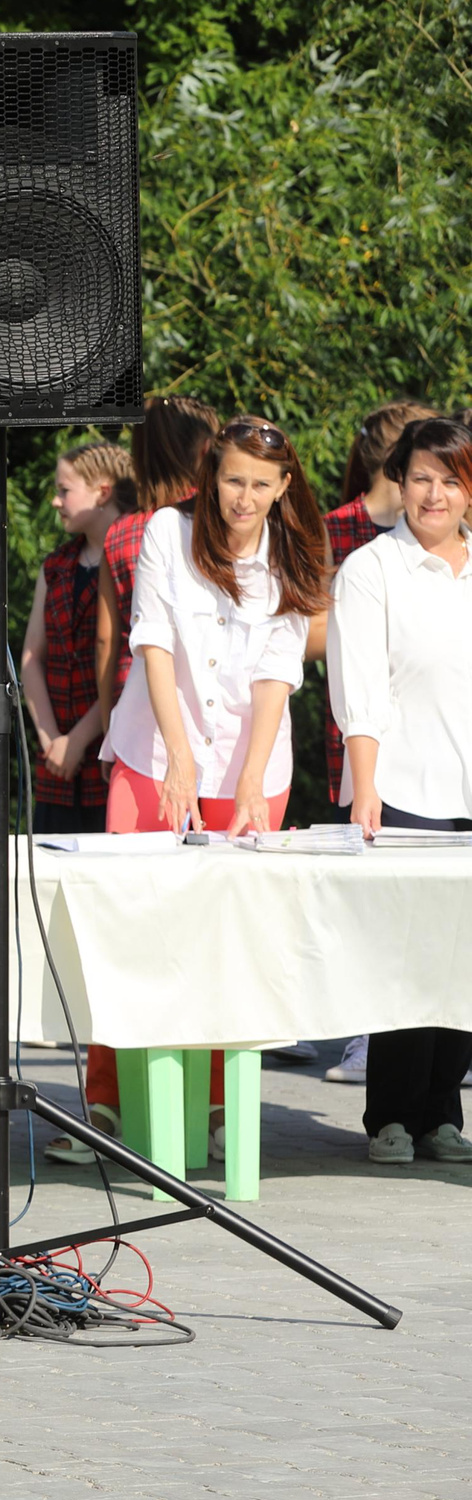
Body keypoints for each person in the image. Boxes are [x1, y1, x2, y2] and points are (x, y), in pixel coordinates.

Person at [64, 416, 330, 1159]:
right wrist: (177, 754)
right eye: (232, 479)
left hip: (251, 763)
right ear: (211, 476)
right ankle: (108, 1101)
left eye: (259, 484)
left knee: (228, 935)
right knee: (134, 924)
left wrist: (247, 779)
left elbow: (280, 669)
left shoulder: (292, 551)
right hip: (155, 754)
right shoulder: (163, 535)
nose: (243, 497)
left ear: (283, 488)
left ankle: (215, 1101)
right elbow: (151, 638)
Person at [326, 415, 472, 1164]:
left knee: (463, 956)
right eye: (421, 477)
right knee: (407, 955)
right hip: (403, 786)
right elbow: (360, 686)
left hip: (469, 791)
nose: (435, 493)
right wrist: (366, 783)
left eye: (451, 478)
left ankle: (443, 1110)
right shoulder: (372, 568)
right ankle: (391, 1113)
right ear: (398, 481)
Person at [316, 399, 436, 1085]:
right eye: (421, 471)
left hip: (447, 763)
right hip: (370, 754)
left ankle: (438, 1085)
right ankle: (372, 1052)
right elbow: (309, 632)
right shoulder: (352, 543)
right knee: (384, 922)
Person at [20, 441, 134, 832]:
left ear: (102, 492)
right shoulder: (55, 567)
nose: (56, 501)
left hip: (111, 756)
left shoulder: (135, 559)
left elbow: (129, 660)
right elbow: (32, 656)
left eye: (64, 490)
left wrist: (80, 739)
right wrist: (52, 738)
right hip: (58, 765)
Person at [93, 395, 217, 732]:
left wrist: (109, 726)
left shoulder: (119, 533)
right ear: (207, 451)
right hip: (207, 708)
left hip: (135, 716)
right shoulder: (217, 523)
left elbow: (106, 640)